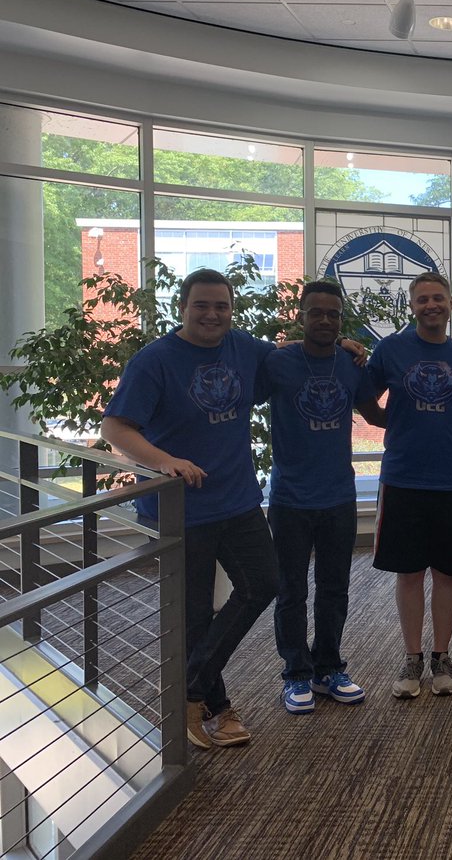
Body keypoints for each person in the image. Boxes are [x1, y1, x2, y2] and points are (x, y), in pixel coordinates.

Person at [100, 270, 283, 748]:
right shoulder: (154, 361)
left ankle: (190, 693)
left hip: (238, 499)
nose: (212, 314)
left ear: (231, 310)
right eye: (202, 305)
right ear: (182, 307)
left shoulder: (245, 347)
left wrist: (343, 347)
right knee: (195, 614)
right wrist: (167, 463)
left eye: (221, 306)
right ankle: (218, 709)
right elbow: (116, 428)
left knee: (263, 584)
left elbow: (295, 360)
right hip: (180, 508)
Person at [367, 271, 452, 700]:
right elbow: (364, 399)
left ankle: (442, 656)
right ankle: (412, 657)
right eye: (423, 299)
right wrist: (392, 422)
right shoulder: (390, 350)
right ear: (412, 306)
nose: (431, 305)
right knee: (409, 573)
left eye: (438, 298)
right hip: (403, 477)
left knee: (448, 572)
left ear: (449, 305)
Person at [260, 280, 381, 714]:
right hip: (291, 498)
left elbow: (376, 414)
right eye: (317, 313)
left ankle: (328, 667)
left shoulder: (351, 362)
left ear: (340, 318)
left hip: (338, 497)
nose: (326, 320)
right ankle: (295, 673)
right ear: (302, 315)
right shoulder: (277, 362)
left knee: (335, 587)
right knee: (291, 589)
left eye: (333, 314)